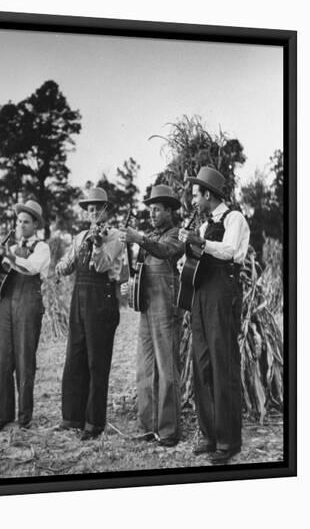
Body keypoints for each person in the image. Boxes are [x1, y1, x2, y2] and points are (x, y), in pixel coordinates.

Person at [178, 166, 250, 464]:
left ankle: (228, 441)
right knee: (202, 364)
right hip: (201, 295)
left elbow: (232, 251)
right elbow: (194, 258)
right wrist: (185, 257)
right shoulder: (205, 225)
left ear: (208, 194)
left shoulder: (235, 219)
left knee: (224, 364)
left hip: (222, 294)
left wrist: (201, 244)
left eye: (196, 195)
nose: (193, 200)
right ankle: (209, 435)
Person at [55, 187, 124, 440]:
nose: (94, 212)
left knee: (97, 362)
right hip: (79, 300)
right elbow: (67, 265)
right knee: (75, 357)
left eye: (98, 208)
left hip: (101, 300)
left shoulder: (115, 236)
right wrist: (60, 267)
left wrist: (97, 244)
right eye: (90, 209)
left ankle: (94, 423)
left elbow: (103, 264)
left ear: (107, 210)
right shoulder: (80, 236)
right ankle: (72, 417)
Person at [120, 185, 184, 447]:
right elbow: (141, 271)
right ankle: (148, 426)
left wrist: (139, 239)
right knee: (145, 368)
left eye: (157, 209)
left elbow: (166, 252)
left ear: (170, 211)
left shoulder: (177, 234)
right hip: (147, 306)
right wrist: (130, 285)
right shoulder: (150, 237)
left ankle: (168, 431)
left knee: (166, 368)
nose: (153, 214)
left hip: (166, 307)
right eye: (150, 210)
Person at [0, 200, 50, 431]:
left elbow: (30, 268)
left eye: (26, 222)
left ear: (35, 225)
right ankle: (2, 417)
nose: (21, 225)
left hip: (29, 304)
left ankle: (24, 419)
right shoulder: (11, 248)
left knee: (25, 361)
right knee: (2, 360)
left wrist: (10, 259)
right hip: (6, 304)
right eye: (18, 221)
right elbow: (2, 273)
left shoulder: (42, 248)